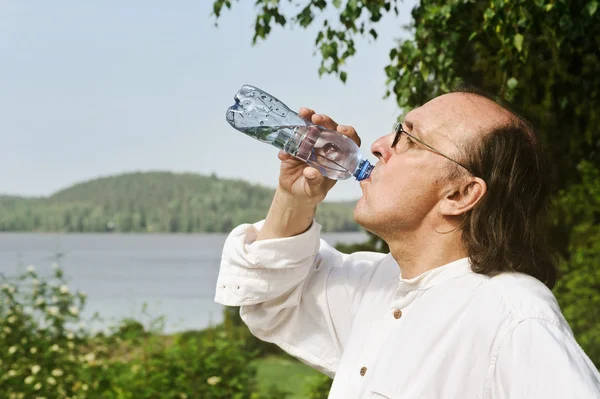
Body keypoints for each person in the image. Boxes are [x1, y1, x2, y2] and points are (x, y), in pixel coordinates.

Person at [214, 88, 600, 398]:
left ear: (460, 194)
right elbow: (267, 295)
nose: (380, 144)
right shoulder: (379, 285)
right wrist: (295, 197)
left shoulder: (515, 316)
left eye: (409, 139)